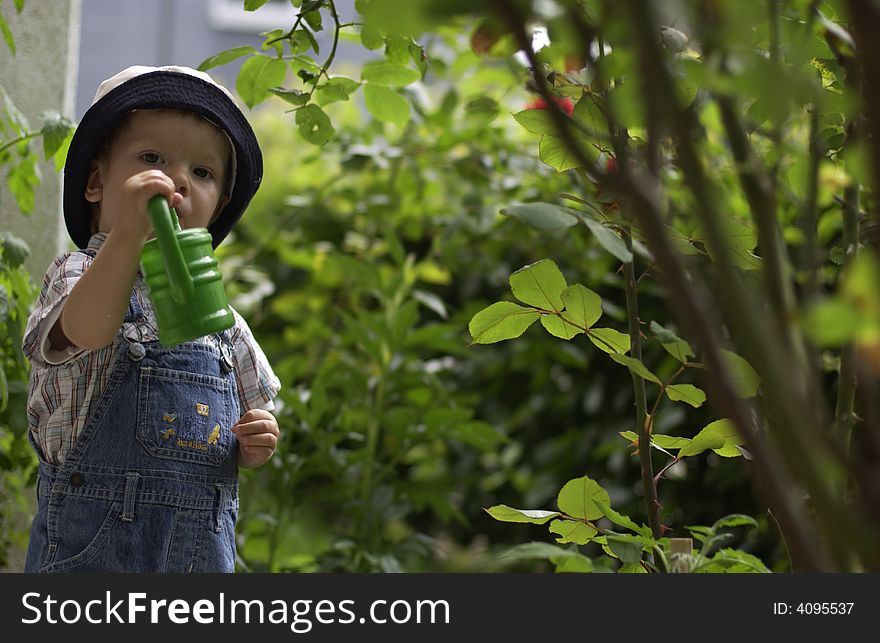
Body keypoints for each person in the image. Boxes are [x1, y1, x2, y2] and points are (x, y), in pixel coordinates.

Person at [22, 65, 281, 573]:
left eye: (202, 172)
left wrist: (257, 439)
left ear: (219, 206)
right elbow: (89, 329)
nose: (177, 180)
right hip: (90, 552)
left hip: (197, 554)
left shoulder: (221, 318)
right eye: (152, 159)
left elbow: (256, 407)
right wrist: (126, 239)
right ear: (97, 182)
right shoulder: (76, 274)